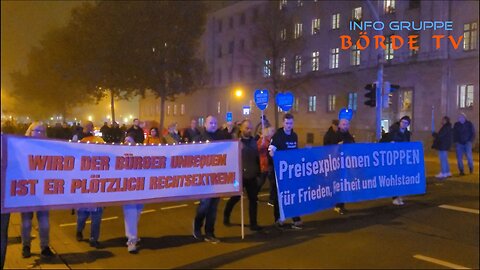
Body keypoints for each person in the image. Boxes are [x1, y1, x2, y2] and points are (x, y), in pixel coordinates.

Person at [21, 122, 55, 258]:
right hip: (25, 191)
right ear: (30, 131)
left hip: (42, 191)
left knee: (45, 223)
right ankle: (26, 246)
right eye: (37, 131)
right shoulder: (21, 147)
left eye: (42, 131)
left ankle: (45, 247)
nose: (40, 133)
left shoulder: (48, 148)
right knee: (26, 222)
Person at [223, 120, 263, 231]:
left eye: (250, 128)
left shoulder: (254, 142)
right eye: (246, 128)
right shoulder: (237, 141)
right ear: (241, 129)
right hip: (240, 176)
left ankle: (253, 223)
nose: (249, 130)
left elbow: (257, 158)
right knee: (235, 198)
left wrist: (258, 172)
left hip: (252, 175)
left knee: (253, 200)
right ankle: (226, 215)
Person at [193, 116, 226, 243]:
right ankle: (197, 227)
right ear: (205, 125)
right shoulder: (198, 139)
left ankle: (210, 232)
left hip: (218, 178)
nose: (213, 125)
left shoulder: (222, 138)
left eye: (215, 123)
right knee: (204, 205)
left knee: (213, 207)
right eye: (211, 123)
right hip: (204, 180)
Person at [268, 113, 303, 230]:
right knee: (280, 196)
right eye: (287, 123)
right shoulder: (278, 136)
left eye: (291, 123)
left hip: (292, 171)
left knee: (293, 195)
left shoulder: (294, 136)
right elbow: (271, 149)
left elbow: (295, 151)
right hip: (280, 172)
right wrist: (273, 153)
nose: (289, 125)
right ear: (283, 123)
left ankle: (296, 218)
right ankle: (278, 219)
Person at [76, 121, 105, 248]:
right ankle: (79, 230)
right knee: (82, 216)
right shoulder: (80, 142)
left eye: (89, 127)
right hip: (85, 187)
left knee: (97, 218)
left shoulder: (99, 140)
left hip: (98, 186)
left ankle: (94, 238)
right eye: (85, 127)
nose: (87, 129)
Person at [323, 118, 355, 215]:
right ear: (340, 125)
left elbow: (353, 145)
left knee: (344, 186)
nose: (345, 126)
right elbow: (328, 148)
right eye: (343, 124)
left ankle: (342, 205)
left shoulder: (348, 135)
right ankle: (337, 205)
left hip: (345, 164)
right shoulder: (334, 135)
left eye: (347, 124)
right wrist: (337, 146)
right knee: (338, 186)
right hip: (336, 165)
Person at [381, 116, 411, 205]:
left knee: (401, 178)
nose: (403, 124)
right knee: (395, 178)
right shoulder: (393, 132)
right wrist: (390, 143)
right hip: (393, 159)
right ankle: (395, 197)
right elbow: (382, 142)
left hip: (402, 159)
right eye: (402, 122)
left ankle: (399, 196)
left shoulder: (407, 134)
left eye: (406, 123)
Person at [122, 134, 144, 253]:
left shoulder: (141, 153)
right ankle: (131, 240)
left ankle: (132, 233)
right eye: (125, 140)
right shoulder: (120, 154)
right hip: (127, 190)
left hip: (140, 189)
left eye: (129, 140)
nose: (126, 142)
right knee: (130, 213)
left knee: (136, 213)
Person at [257, 126, 276, 205]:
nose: (274, 132)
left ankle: (271, 199)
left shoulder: (270, 141)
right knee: (263, 181)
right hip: (264, 164)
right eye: (272, 131)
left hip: (268, 164)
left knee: (270, 182)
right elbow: (258, 148)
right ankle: (253, 194)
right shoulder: (263, 141)